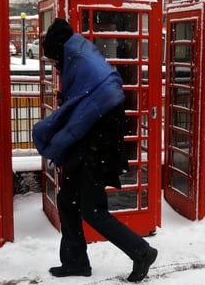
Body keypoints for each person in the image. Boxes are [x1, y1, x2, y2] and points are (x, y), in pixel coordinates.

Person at [32, 18, 158, 283]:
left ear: (62, 52)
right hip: (84, 151)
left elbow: (98, 118)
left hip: (95, 153)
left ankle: (141, 251)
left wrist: (85, 151)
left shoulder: (91, 75)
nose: (56, 67)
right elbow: (78, 109)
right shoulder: (82, 66)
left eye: (55, 61)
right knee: (67, 201)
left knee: (93, 210)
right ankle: (75, 261)